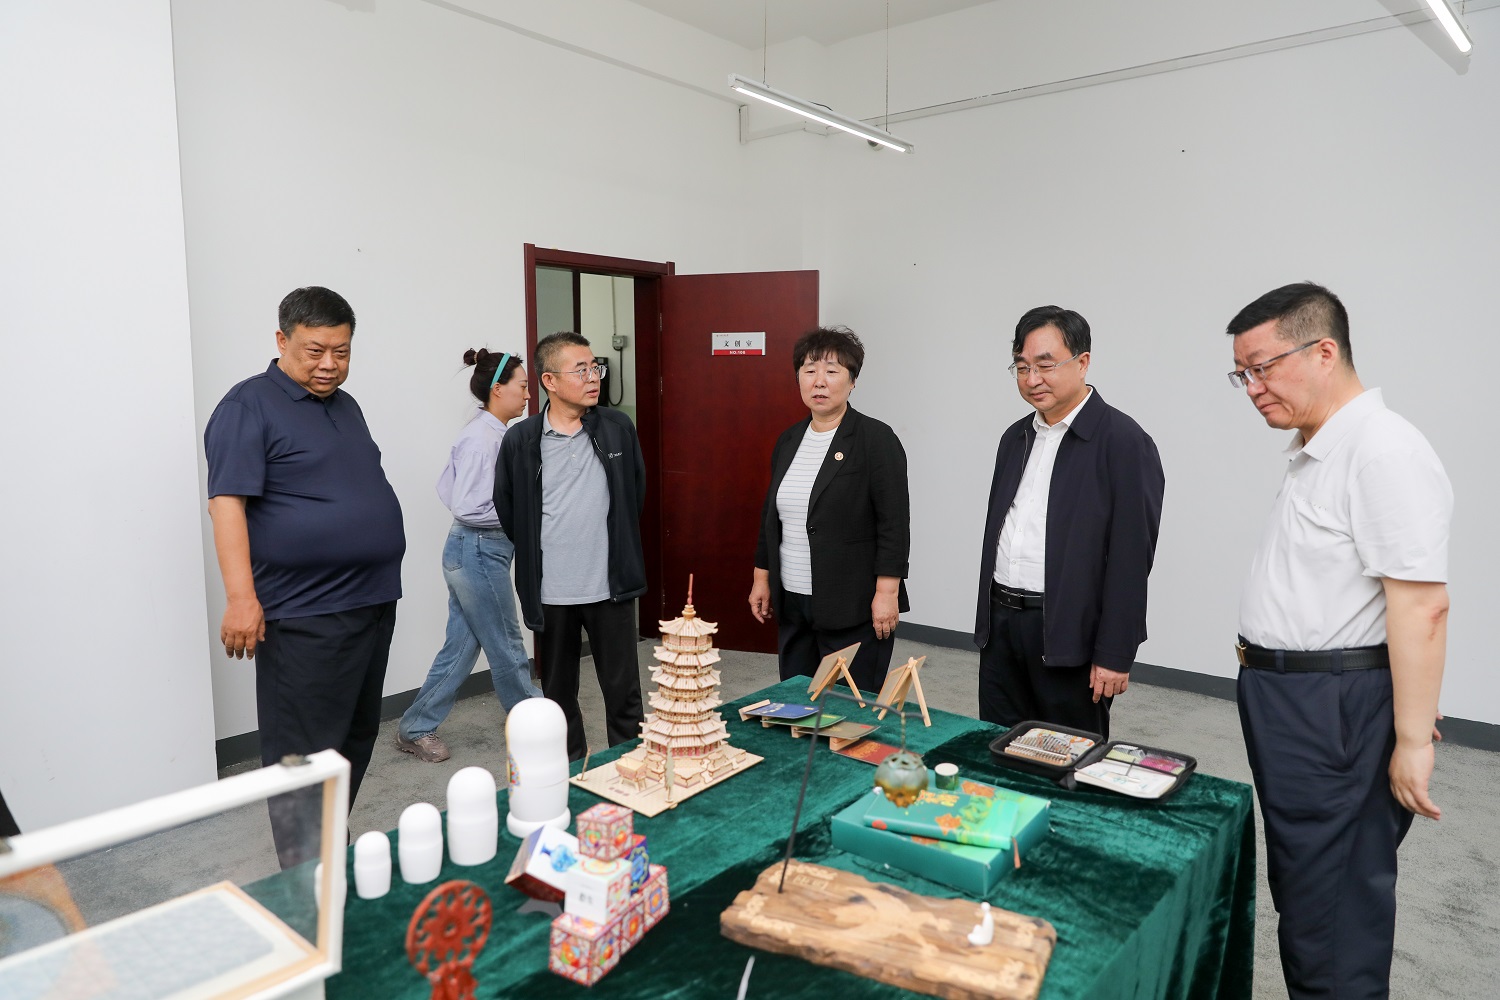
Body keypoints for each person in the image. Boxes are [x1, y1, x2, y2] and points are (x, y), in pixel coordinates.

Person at [1227, 282, 1451, 999]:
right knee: (1307, 887)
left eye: (1264, 368)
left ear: (1324, 352)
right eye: (1242, 374)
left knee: (1334, 907)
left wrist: (1411, 740)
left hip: (1331, 708)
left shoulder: (1381, 451)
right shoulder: (1321, 448)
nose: (1252, 389)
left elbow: (1421, 605)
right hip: (1294, 700)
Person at [204, 286, 404, 866]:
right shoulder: (248, 405)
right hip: (304, 611)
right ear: (281, 339)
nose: (329, 364)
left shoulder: (347, 405)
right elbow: (226, 504)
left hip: (371, 602)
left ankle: (326, 849)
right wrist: (241, 598)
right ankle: (305, 878)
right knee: (303, 755)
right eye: (315, 351)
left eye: (342, 352)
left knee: (355, 737)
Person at [973, 306, 1164, 740]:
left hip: (1069, 634)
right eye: (1022, 367)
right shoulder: (1016, 437)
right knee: (999, 747)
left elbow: (1132, 559)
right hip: (1002, 626)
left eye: (1045, 365)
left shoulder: (1124, 442)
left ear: (1083, 362)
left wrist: (1115, 652)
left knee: (1067, 755)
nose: (1032, 379)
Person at [494, 332, 646, 761]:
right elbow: (509, 509)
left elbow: (634, 494)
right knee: (558, 698)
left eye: (595, 368)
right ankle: (572, 777)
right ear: (550, 381)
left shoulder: (617, 428)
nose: (593, 377)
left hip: (610, 587)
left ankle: (630, 772)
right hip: (552, 593)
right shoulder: (521, 440)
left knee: (624, 696)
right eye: (581, 370)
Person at [395, 349, 542, 763]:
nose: (528, 395)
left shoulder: (492, 433)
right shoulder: (482, 439)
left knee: (461, 646)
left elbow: (452, 490)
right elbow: (467, 505)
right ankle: (533, 720)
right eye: (522, 386)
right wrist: (523, 511)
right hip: (478, 548)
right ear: (498, 389)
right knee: (507, 641)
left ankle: (415, 727)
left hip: (477, 548)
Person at [748, 326, 911, 693]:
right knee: (796, 700)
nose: (819, 381)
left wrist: (887, 593)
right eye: (809, 370)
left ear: (852, 381)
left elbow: (894, 524)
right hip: (793, 600)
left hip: (853, 604)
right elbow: (771, 516)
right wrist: (761, 577)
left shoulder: (876, 439)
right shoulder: (789, 440)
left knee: (849, 706)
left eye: (832, 371)